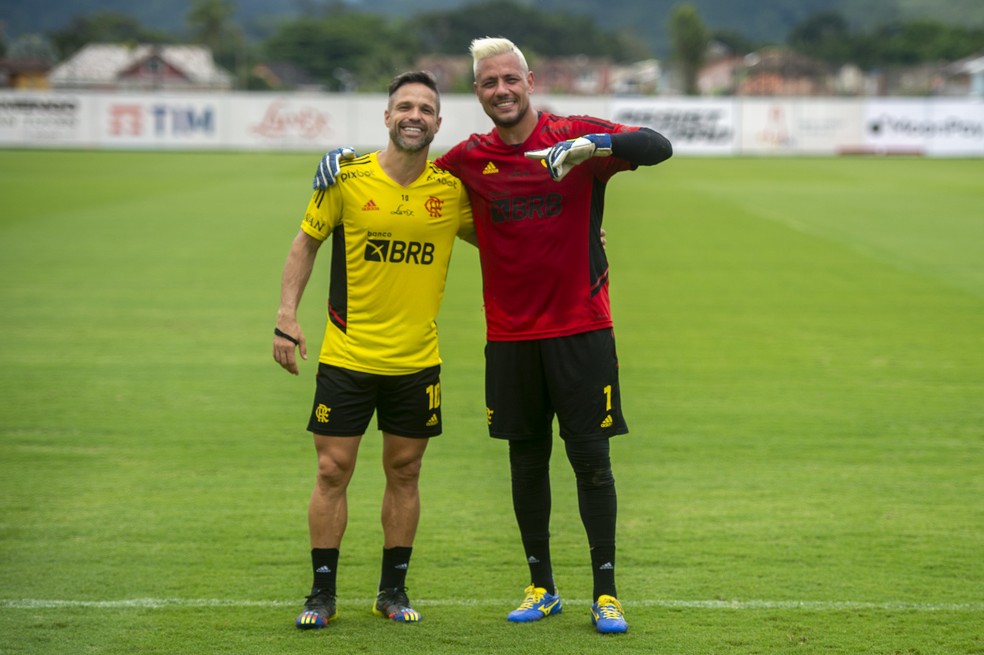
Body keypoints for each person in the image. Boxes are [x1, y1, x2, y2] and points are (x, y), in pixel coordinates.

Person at [314, 37, 672, 634]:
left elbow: (657, 146)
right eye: (488, 83)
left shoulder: (573, 133)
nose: (501, 90)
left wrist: (592, 147)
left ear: (529, 81)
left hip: (582, 328)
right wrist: (340, 157)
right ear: (477, 92)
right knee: (525, 462)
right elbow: (407, 171)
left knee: (591, 462)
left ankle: (606, 593)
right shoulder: (467, 160)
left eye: (510, 79)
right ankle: (542, 586)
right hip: (509, 338)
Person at [273, 70, 474, 629]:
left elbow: (515, 238)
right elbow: (305, 244)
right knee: (332, 471)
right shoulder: (345, 178)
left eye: (426, 108)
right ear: (387, 117)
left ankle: (393, 590)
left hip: (416, 361)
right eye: (404, 106)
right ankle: (321, 593)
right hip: (347, 357)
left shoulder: (451, 190)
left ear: (439, 122)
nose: (415, 115)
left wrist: (583, 232)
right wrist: (286, 318)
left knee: (405, 473)